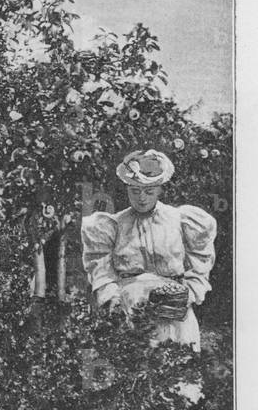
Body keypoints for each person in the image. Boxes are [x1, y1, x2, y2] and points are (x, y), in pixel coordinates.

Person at [81, 149, 217, 354]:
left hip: (173, 313)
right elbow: (101, 270)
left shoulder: (180, 220)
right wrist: (113, 300)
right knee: (135, 370)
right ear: (127, 189)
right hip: (129, 309)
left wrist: (186, 294)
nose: (142, 198)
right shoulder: (112, 225)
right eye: (135, 191)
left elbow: (199, 265)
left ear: (160, 189)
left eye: (149, 191)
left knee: (175, 365)